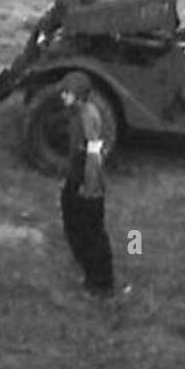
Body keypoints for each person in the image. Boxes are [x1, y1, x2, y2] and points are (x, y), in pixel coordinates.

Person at [58, 73, 119, 297]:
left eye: (68, 92)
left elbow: (93, 154)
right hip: (77, 176)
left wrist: (90, 187)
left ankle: (101, 283)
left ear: (80, 96)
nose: (63, 96)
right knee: (71, 218)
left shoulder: (88, 116)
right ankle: (84, 264)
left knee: (91, 230)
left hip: (88, 181)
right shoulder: (75, 113)